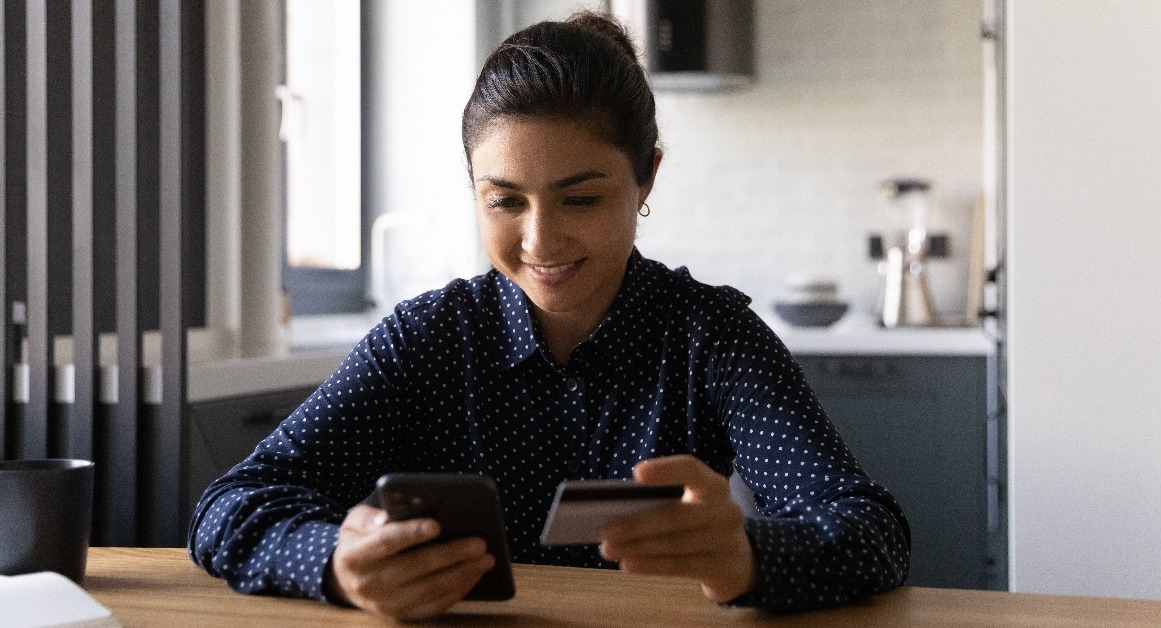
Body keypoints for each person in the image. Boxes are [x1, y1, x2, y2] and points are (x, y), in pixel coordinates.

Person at [188, 12, 910, 622]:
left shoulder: (709, 336)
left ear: (646, 177)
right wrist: (339, 565)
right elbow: (231, 504)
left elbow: (871, 530)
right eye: (505, 201)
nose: (540, 242)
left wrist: (751, 557)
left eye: (582, 199)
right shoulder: (426, 340)